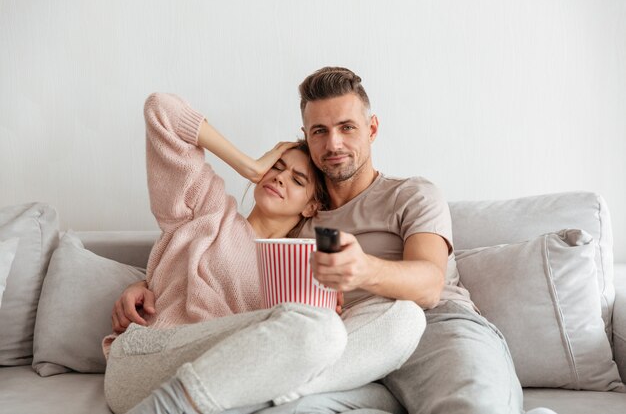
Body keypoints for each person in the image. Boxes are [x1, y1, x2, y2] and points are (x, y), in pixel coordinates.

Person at [115, 69, 557, 414]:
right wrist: (150, 278)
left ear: (372, 128)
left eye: (347, 127)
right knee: (313, 343)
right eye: (319, 132)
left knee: (408, 325)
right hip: (331, 347)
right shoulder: (270, 231)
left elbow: (427, 285)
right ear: (306, 134)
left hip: (421, 329)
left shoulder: (410, 194)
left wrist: (362, 269)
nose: (334, 142)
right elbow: (165, 116)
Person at [103, 92, 425, 414]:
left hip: (229, 382)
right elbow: (162, 110)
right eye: (276, 167)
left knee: (406, 317)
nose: (280, 178)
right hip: (150, 359)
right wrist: (250, 165)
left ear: (312, 206)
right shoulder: (206, 210)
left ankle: (267, 399)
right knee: (319, 329)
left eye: (297, 180)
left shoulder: (305, 267)